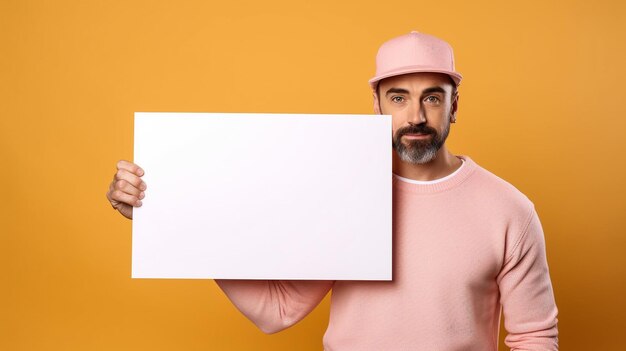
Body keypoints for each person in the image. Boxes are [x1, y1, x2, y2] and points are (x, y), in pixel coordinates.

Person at [106, 31, 559, 350]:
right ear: (377, 105)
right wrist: (168, 216)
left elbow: (534, 336)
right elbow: (277, 310)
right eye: (398, 97)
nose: (416, 115)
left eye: (432, 97)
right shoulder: (344, 190)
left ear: (454, 105)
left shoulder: (509, 211)